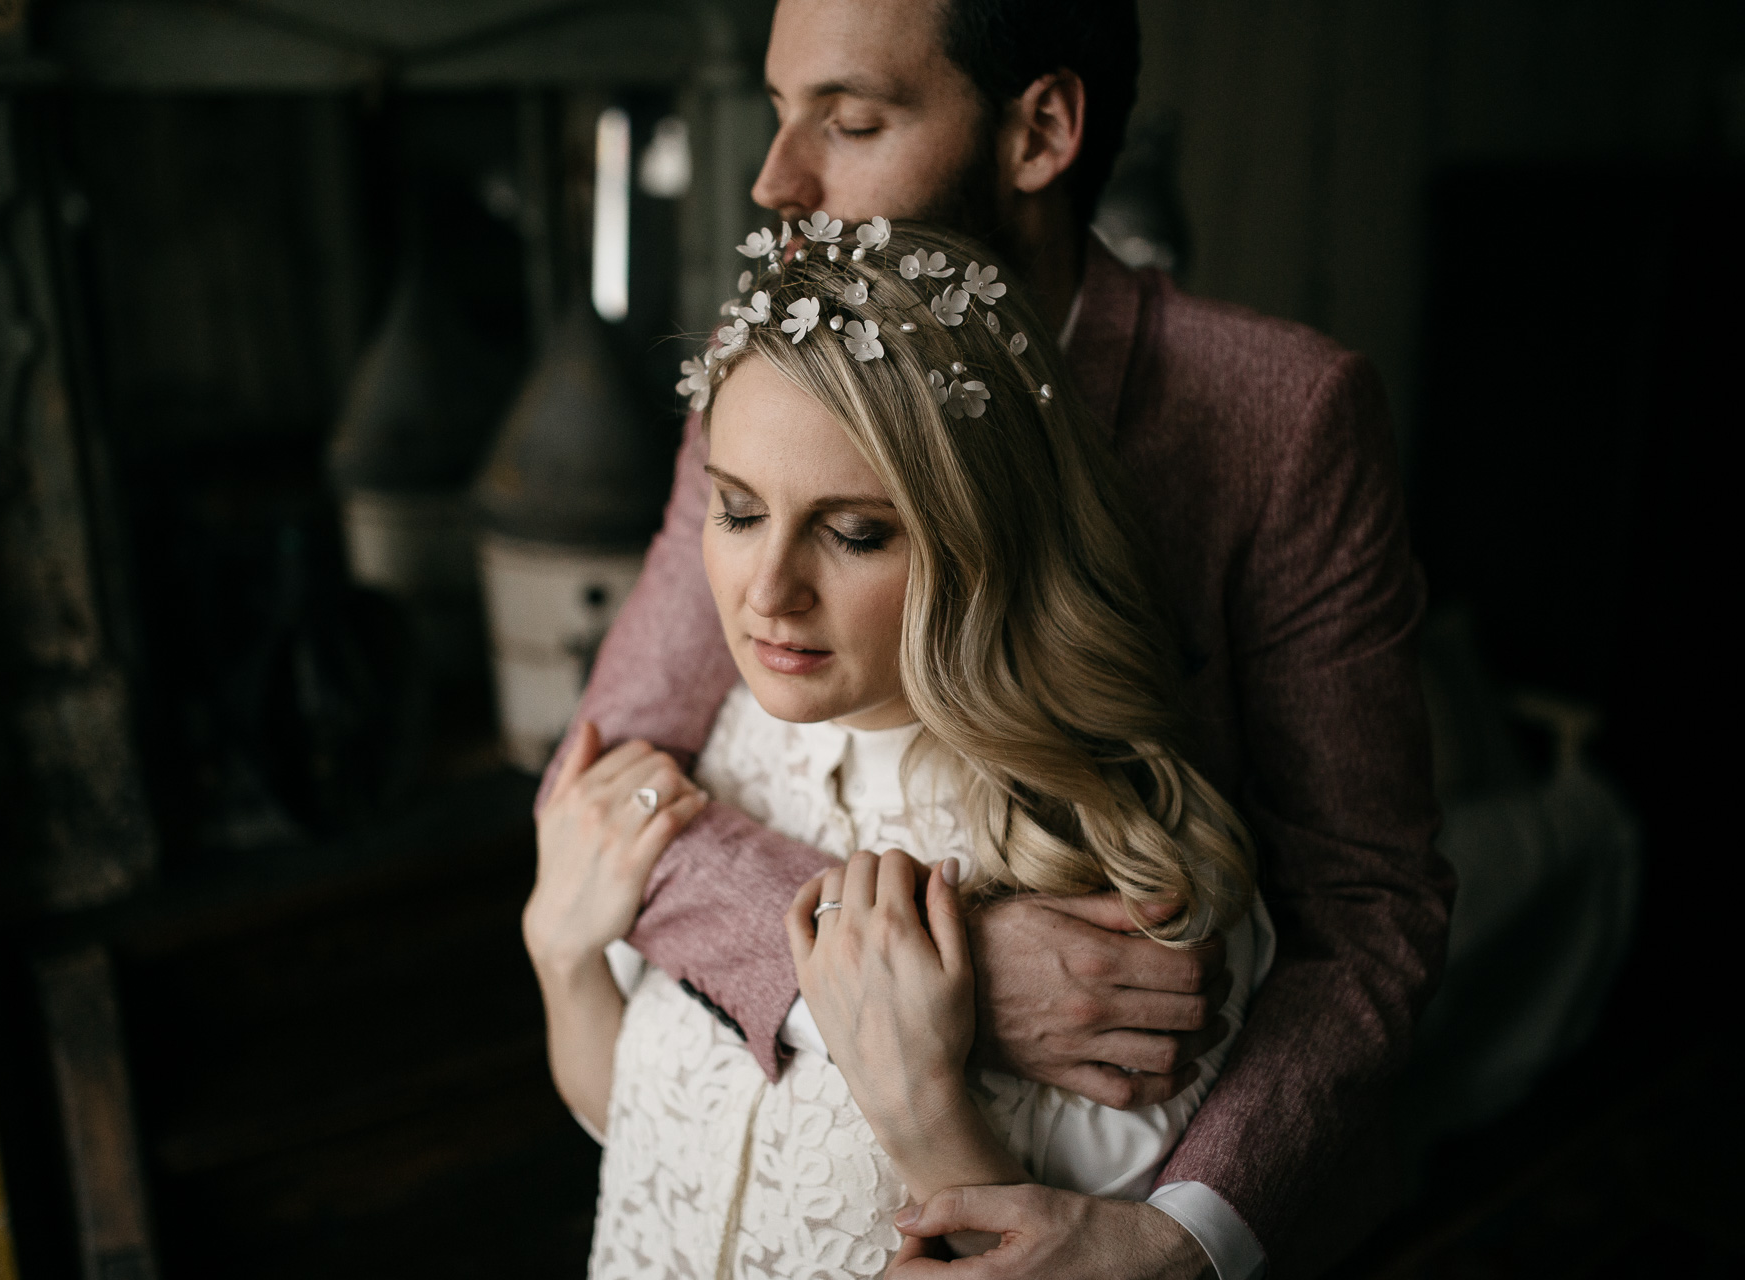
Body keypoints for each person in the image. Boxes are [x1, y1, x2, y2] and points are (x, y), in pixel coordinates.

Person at [544, 1, 1451, 1276]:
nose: (775, 179)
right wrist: (928, 972)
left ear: (1041, 130)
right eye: (778, 108)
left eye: (852, 120)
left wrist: (1179, 1240)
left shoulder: (1281, 418)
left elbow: (1366, 895)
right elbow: (598, 776)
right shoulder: (779, 380)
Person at [525, 220, 1275, 1277]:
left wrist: (920, 1099)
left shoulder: (1113, 880)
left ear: (985, 534)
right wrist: (563, 963)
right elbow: (641, 1131)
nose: (765, 592)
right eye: (738, 511)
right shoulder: (716, 745)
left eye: (854, 531)